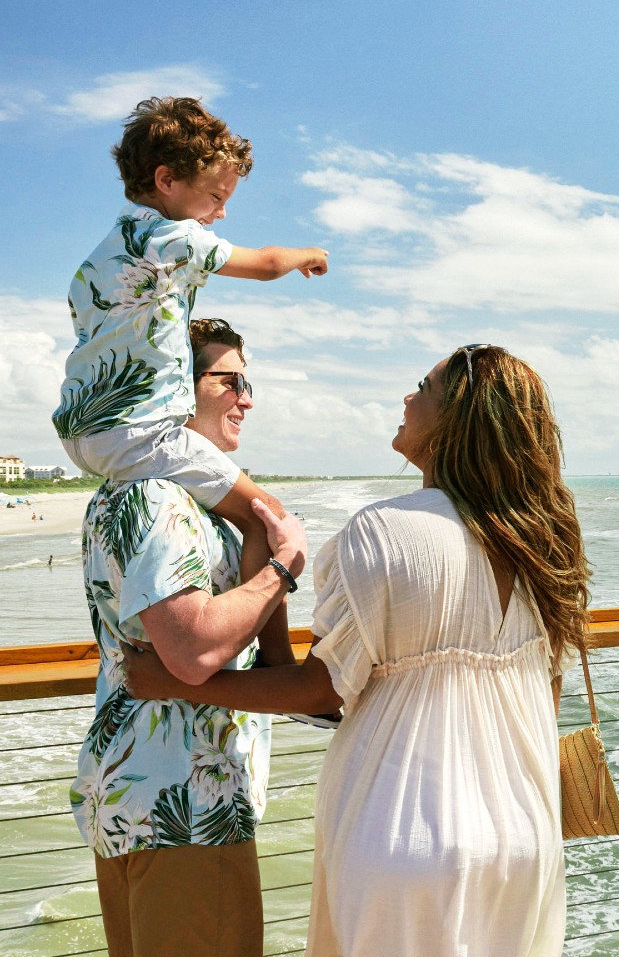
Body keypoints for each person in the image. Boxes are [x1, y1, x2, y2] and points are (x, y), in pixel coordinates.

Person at [124, 344, 591, 957]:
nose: (407, 396)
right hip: (525, 833)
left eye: (423, 386)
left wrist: (173, 680)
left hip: (403, 832)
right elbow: (545, 701)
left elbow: (321, 689)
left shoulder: (381, 531)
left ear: (457, 417)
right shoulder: (547, 539)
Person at [52, 95, 328, 667]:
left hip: (87, 430)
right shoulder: (167, 239)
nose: (220, 214)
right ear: (167, 179)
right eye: (216, 197)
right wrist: (306, 255)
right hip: (141, 430)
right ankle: (278, 664)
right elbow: (267, 262)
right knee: (266, 514)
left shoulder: (96, 262)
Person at [72, 317, 307, 957]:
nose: (246, 399)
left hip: (136, 796)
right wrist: (283, 569)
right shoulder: (161, 501)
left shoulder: (134, 494)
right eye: (229, 381)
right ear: (178, 387)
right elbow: (195, 651)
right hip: (187, 805)